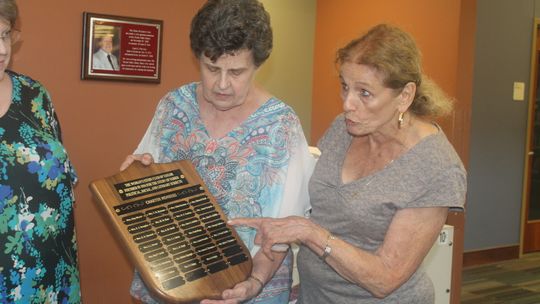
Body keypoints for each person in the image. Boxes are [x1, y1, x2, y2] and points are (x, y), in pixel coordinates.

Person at [230, 24, 467, 304]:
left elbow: (385, 279)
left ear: (404, 96)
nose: (347, 104)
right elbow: (316, 209)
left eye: (364, 93)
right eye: (345, 86)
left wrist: (309, 233)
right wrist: (257, 279)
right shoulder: (343, 129)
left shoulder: (436, 168)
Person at [120, 0, 314, 303]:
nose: (222, 84)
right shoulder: (174, 107)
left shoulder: (281, 126)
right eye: (212, 69)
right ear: (197, 58)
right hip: (173, 280)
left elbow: (280, 233)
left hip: (248, 286)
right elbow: (143, 187)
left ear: (258, 65)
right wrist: (136, 174)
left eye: (236, 72)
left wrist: (255, 282)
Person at [0, 0, 81, 303]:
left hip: (52, 275)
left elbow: (62, 176)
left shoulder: (35, 95)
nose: (2, 49)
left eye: (5, 35)